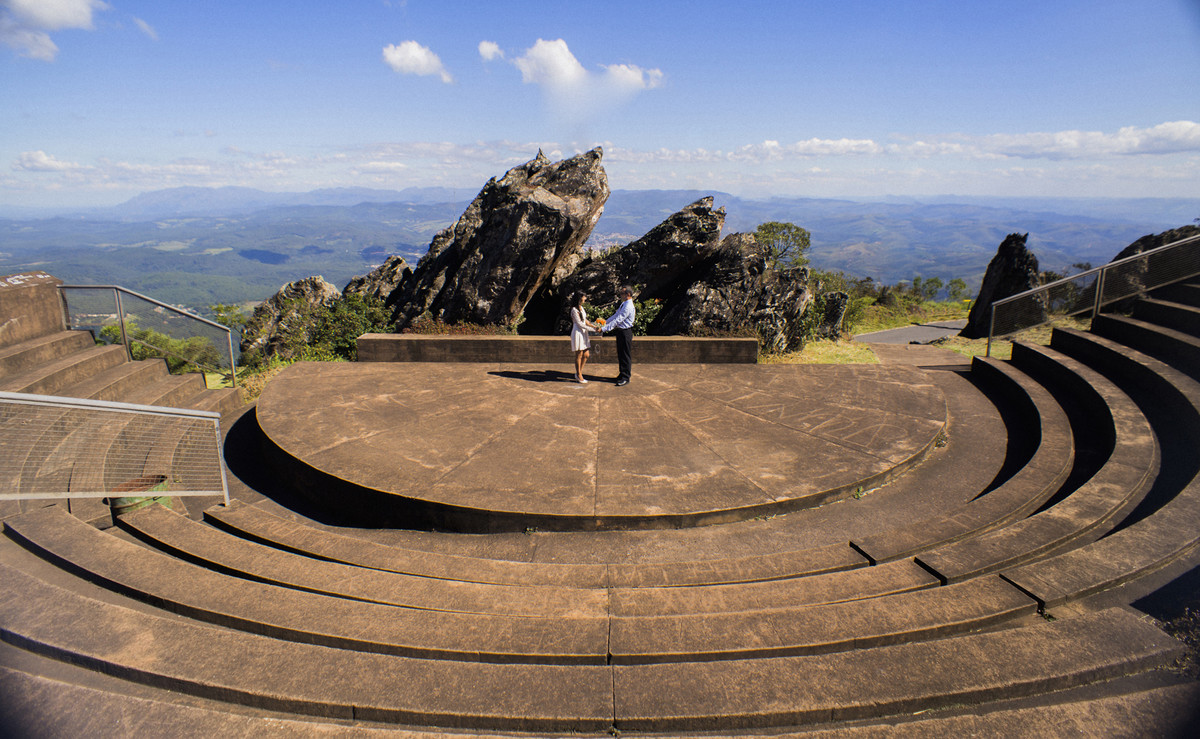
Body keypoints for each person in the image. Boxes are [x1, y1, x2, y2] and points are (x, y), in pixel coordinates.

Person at [600, 286, 635, 386]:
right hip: (620, 332)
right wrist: (604, 322)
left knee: (625, 355)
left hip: (625, 332)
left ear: (628, 294)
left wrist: (603, 329)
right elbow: (615, 316)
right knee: (621, 354)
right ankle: (622, 373)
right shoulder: (624, 304)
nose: (620, 295)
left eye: (622, 294)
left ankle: (626, 377)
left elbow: (618, 320)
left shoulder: (628, 306)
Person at [568, 291, 596, 383]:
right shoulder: (574, 310)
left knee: (586, 354)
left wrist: (594, 326)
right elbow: (579, 324)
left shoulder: (581, 308)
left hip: (584, 332)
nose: (585, 299)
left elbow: (585, 320)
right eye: (584, 297)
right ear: (579, 298)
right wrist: (593, 330)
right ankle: (579, 374)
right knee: (579, 354)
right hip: (578, 333)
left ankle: (579, 372)